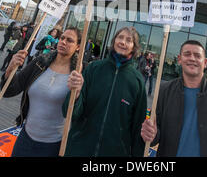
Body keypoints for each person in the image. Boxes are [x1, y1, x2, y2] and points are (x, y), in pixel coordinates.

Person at [62, 26, 147, 157]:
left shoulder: (137, 81)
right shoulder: (94, 69)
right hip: (79, 149)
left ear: (134, 47)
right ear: (113, 41)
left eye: (129, 40)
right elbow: (69, 113)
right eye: (120, 37)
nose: (123, 42)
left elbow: (137, 129)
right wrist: (76, 94)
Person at [0, 28, 82, 157]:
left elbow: (80, 113)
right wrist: (10, 69)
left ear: (78, 47)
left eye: (70, 40)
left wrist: (78, 94)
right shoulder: (40, 62)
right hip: (25, 137)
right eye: (62, 38)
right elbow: (9, 91)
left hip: (54, 145)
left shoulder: (80, 73)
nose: (64, 42)